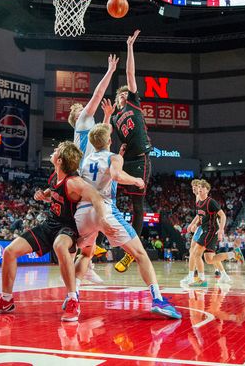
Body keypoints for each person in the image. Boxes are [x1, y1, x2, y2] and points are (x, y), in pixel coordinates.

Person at [0, 141, 116, 322]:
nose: (53, 151)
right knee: (9, 252)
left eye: (56, 150)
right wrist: (43, 195)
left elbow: (96, 198)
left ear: (59, 160)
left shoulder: (74, 182)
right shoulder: (55, 176)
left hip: (68, 227)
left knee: (59, 245)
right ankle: (6, 300)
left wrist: (103, 220)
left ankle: (73, 299)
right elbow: (53, 190)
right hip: (49, 225)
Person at [73, 123, 181, 318]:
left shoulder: (85, 159)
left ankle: (73, 296)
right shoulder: (113, 157)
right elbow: (115, 174)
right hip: (105, 209)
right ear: (109, 140)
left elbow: (101, 172)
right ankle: (158, 299)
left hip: (83, 212)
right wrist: (135, 180)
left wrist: (120, 156)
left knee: (86, 254)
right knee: (140, 254)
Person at [67, 54, 120, 283]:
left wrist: (107, 117)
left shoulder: (90, 129)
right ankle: (76, 264)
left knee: (94, 220)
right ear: (76, 116)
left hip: (90, 175)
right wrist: (110, 71)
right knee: (87, 222)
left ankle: (86, 264)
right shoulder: (82, 120)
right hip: (83, 177)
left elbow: (103, 139)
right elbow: (98, 94)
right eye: (80, 108)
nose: (85, 108)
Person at [108, 30, 153, 273]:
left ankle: (131, 254)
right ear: (117, 100)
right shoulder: (114, 118)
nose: (124, 94)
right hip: (125, 162)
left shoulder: (134, 103)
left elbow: (130, 74)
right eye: (121, 94)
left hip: (141, 160)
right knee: (107, 198)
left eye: (126, 93)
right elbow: (115, 141)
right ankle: (102, 242)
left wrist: (130, 47)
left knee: (137, 207)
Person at [187, 181, 230, 287]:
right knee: (209, 259)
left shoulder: (211, 202)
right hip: (206, 230)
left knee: (196, 253)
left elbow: (223, 215)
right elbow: (200, 216)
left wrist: (221, 230)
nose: (199, 189)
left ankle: (202, 280)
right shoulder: (198, 202)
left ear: (207, 190)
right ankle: (233, 254)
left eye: (202, 187)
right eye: (199, 187)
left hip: (211, 230)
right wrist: (194, 224)